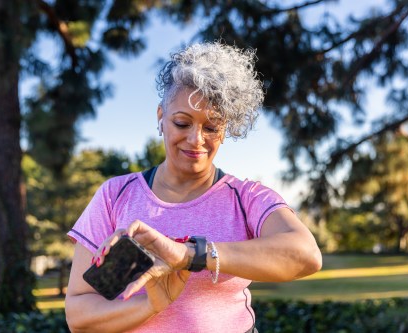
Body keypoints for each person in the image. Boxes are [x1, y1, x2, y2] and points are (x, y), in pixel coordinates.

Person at [65, 41, 322, 333]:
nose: (195, 140)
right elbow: (79, 316)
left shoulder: (246, 198)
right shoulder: (116, 196)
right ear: (161, 117)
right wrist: (150, 305)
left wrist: (190, 255)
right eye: (182, 123)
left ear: (225, 130)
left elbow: (306, 256)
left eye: (211, 127)